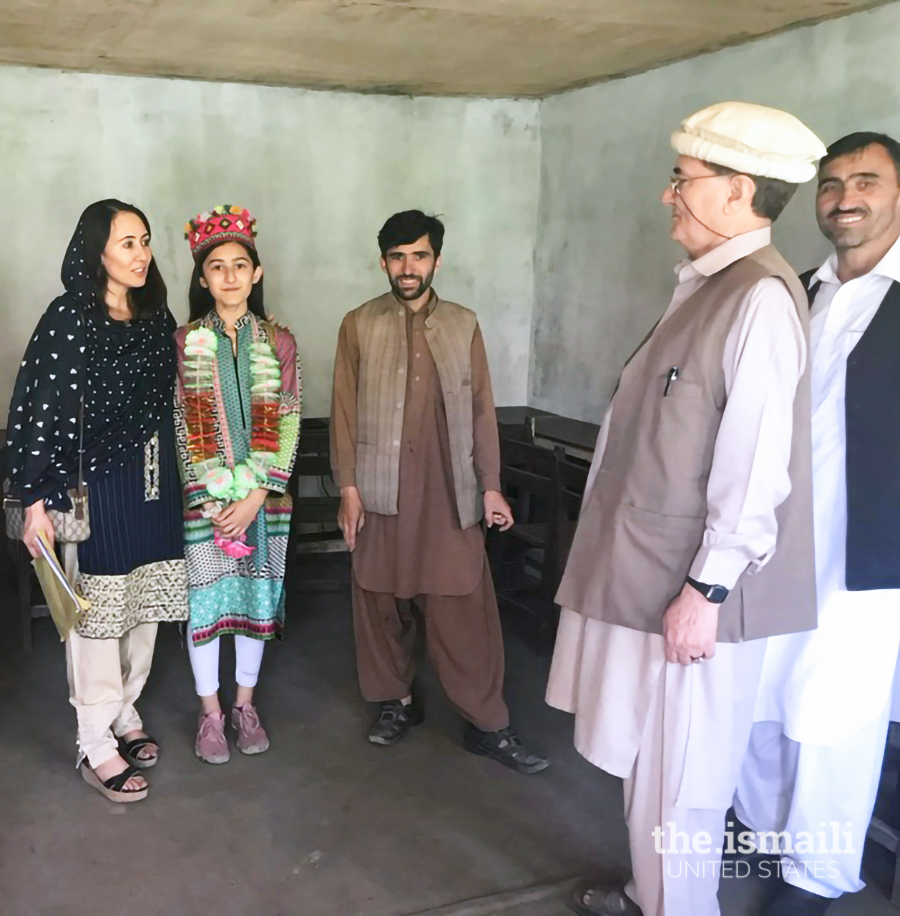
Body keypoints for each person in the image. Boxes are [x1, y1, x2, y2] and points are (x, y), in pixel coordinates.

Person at [544, 102, 827, 916]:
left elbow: (755, 467)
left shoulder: (759, 300)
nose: (670, 194)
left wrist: (707, 593)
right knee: (654, 763)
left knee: (685, 785)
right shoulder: (708, 286)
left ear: (737, 191)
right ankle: (648, 893)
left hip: (694, 597)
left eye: (684, 180)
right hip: (655, 579)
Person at [733, 133, 900, 916]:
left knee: (836, 717)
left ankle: (812, 877)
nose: (844, 198)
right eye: (831, 185)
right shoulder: (797, 290)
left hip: (867, 555)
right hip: (775, 543)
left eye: (865, 181)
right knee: (760, 698)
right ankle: (761, 832)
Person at [330, 209, 548, 774]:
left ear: (436, 260)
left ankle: (488, 723)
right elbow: (345, 415)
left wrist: (492, 488)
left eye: (419, 255)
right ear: (383, 262)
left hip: (451, 492)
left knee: (462, 606)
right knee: (379, 599)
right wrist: (348, 488)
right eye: (397, 257)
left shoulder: (462, 323)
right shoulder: (358, 323)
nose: (408, 267)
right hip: (380, 488)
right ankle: (395, 703)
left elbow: (481, 413)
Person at [6, 200, 188, 803]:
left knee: (144, 608)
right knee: (95, 617)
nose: (141, 254)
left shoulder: (157, 317)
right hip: (93, 490)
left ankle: (124, 711)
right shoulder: (70, 317)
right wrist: (31, 501)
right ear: (97, 252)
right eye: (126, 243)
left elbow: (173, 403)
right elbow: (38, 410)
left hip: (153, 484)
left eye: (145, 240)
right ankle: (95, 740)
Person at [175, 206, 301, 765]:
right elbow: (180, 422)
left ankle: (245, 706)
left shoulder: (280, 341)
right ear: (203, 279)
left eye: (240, 265)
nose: (229, 276)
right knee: (205, 606)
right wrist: (209, 497)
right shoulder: (183, 342)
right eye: (217, 266)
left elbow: (291, 416)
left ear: (256, 272)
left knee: (255, 602)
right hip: (205, 505)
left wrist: (256, 495)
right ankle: (210, 714)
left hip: (263, 499)